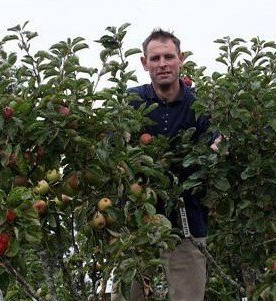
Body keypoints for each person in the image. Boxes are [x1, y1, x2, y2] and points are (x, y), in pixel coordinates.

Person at [111, 28, 215, 301]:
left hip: (187, 223)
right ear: (144, 63)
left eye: (168, 56)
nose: (162, 64)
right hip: (136, 221)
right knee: (126, 295)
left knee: (188, 295)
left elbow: (218, 140)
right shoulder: (131, 102)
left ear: (180, 59)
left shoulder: (199, 105)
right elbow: (111, 145)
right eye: (155, 58)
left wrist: (220, 143)